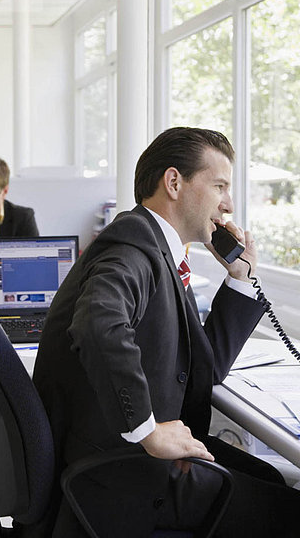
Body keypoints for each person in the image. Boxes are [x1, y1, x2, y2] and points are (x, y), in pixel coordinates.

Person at [33, 127, 300, 538]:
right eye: (220, 186)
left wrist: (242, 279)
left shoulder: (157, 248)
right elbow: (97, 324)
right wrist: (147, 430)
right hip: (127, 473)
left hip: (135, 458)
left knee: (270, 475)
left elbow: (202, 370)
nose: (228, 204)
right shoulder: (131, 250)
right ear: (174, 182)